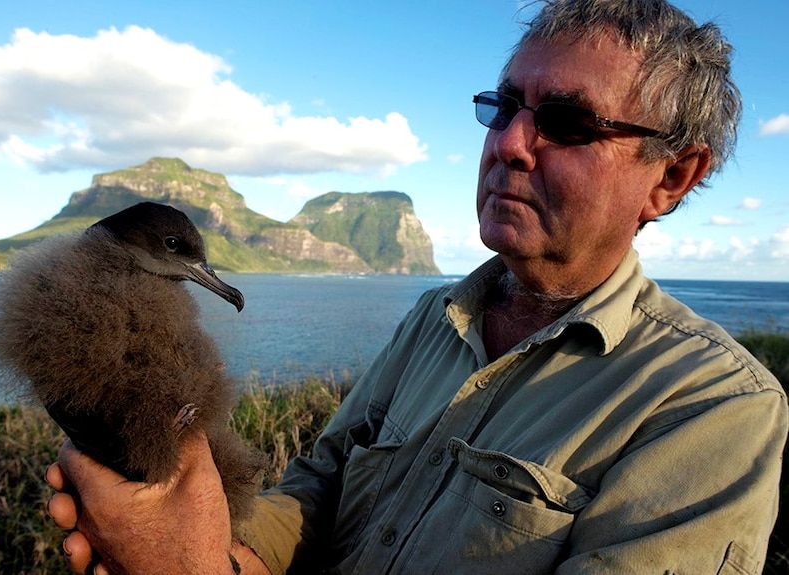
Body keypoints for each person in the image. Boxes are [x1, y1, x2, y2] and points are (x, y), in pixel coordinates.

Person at [45, 0, 788, 573]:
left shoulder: (715, 408)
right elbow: (322, 481)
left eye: (564, 121)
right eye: (502, 108)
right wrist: (222, 552)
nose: (507, 144)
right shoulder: (436, 318)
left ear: (671, 177)